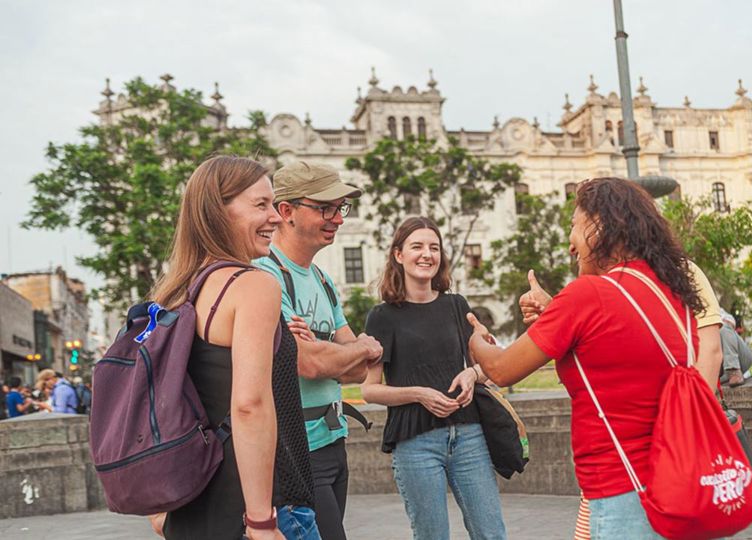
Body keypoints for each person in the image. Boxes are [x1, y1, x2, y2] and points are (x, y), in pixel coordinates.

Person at [468, 177, 706, 539]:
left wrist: (474, 337)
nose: (570, 244)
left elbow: (501, 369)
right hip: (680, 481)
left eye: (574, 227)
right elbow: (612, 354)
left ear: (603, 226)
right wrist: (555, 313)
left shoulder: (587, 296)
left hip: (624, 490)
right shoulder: (669, 292)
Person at [154, 155, 317, 540]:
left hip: (193, 503)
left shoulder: (178, 290)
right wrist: (262, 521)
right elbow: (249, 405)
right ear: (216, 211)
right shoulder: (253, 285)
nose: (276, 217)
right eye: (260, 205)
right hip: (259, 504)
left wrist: (158, 504)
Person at [254, 161, 382, 540]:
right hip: (294, 450)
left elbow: (358, 372)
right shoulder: (266, 275)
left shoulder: (323, 280)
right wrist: (354, 348)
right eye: (325, 208)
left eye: (340, 208)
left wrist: (347, 350)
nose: (337, 219)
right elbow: (307, 363)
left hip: (332, 441)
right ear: (286, 211)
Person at [361, 216, 507, 540]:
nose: (427, 254)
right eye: (417, 246)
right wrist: (418, 394)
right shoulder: (381, 316)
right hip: (416, 444)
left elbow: (489, 367)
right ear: (398, 254)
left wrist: (472, 373)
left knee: (492, 533)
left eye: (434, 247)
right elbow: (369, 390)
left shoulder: (457, 306)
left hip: (469, 436)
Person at [719, 309, 752, 387]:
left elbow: (730, 321)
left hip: (741, 357)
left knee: (723, 327)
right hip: (715, 370)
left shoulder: (709, 306)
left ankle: (733, 371)